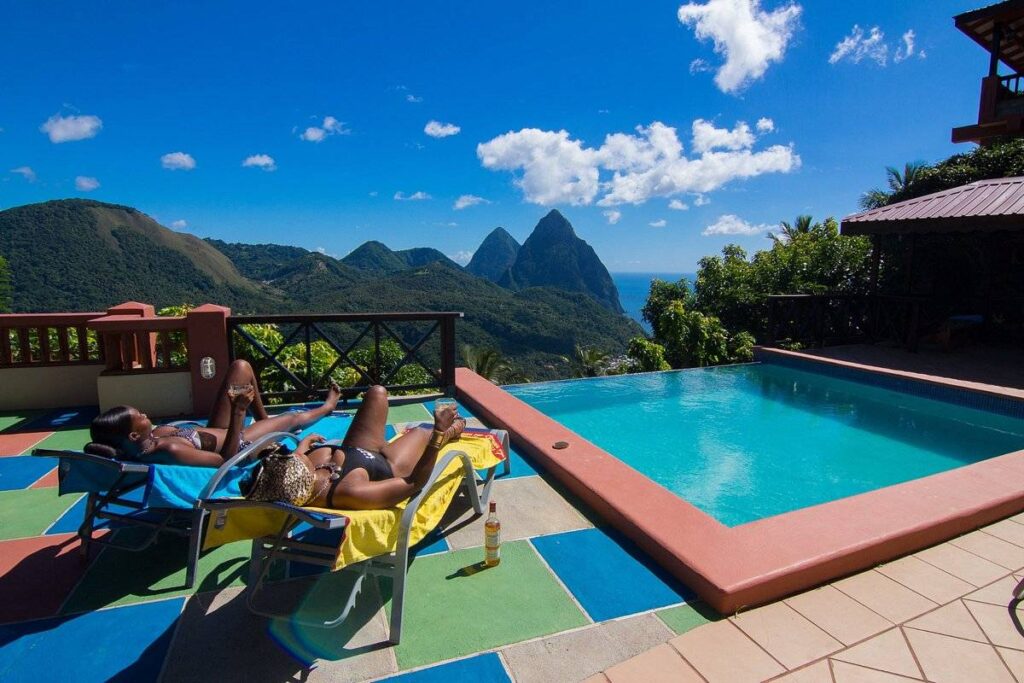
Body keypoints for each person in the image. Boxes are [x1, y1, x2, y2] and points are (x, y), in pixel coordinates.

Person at [247, 385, 466, 510]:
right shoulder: (349, 492)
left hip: (358, 448)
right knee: (422, 430)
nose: (289, 454)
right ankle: (451, 432)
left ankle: (431, 432)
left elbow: (291, 468)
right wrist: (438, 433)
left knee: (376, 393)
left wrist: (302, 446)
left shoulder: (304, 477)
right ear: (298, 474)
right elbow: (413, 483)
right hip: (388, 465)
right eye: (289, 458)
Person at [89, 359, 341, 466]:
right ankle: (327, 406)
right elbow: (225, 461)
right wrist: (239, 411)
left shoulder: (148, 442)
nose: (145, 414)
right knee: (292, 418)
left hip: (216, 430)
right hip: (239, 441)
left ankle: (267, 423)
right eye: (140, 417)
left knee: (240, 368)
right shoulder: (169, 451)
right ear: (133, 436)